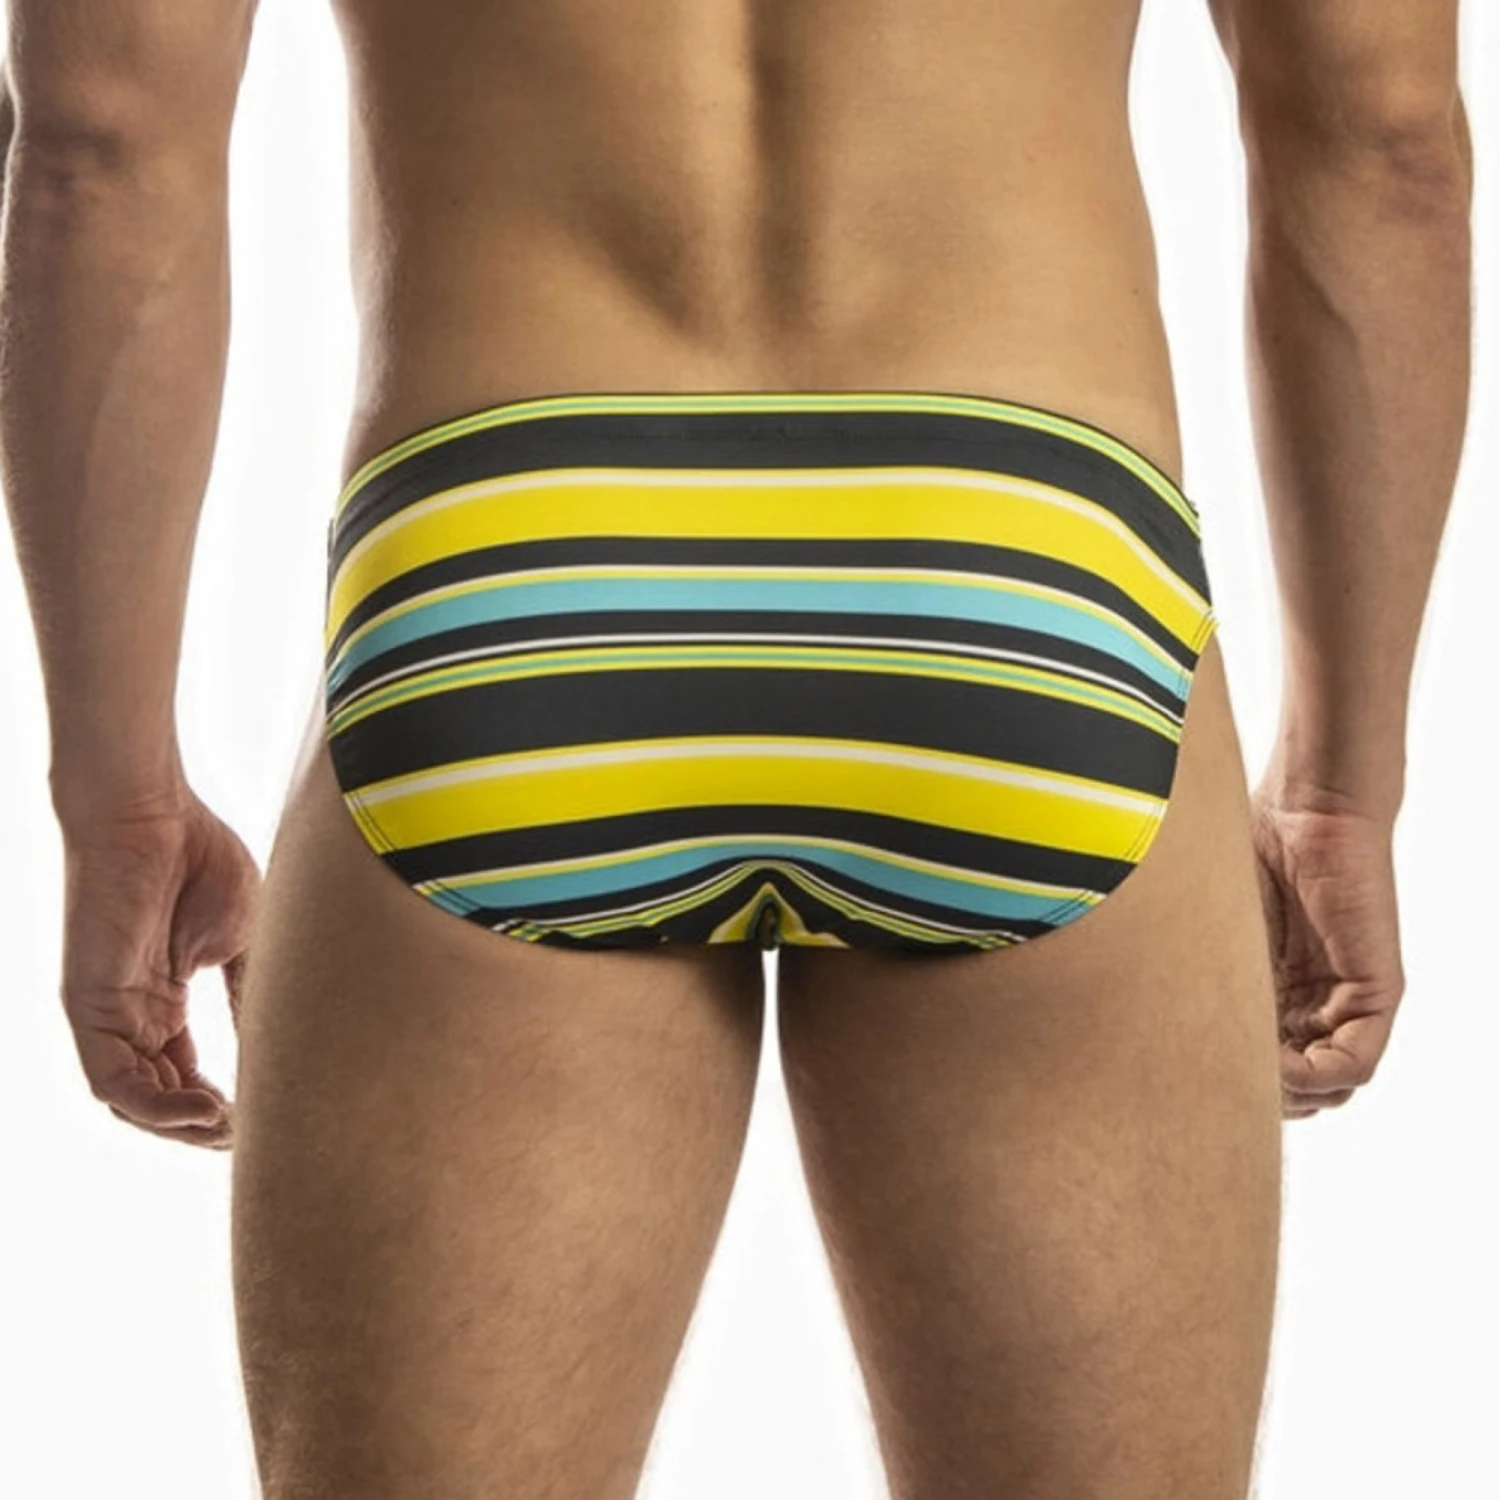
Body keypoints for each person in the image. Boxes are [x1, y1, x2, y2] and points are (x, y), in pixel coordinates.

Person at [0, 1, 1471, 1495]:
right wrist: (1342, 790)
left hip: (520, 574)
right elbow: (1382, 139)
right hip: (1010, 568)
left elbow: (102, 146)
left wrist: (116, 802)